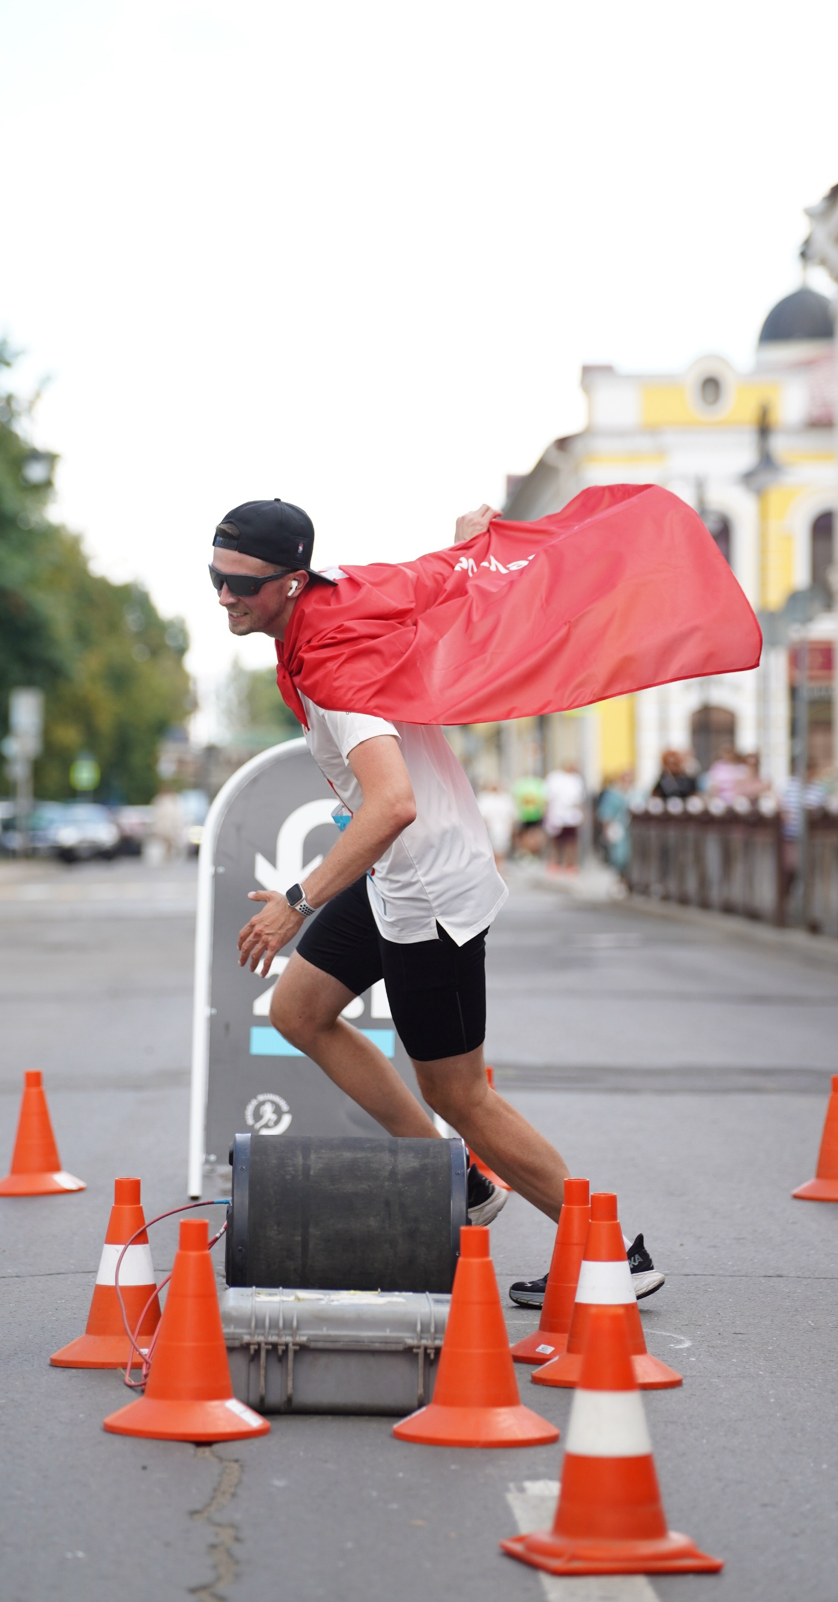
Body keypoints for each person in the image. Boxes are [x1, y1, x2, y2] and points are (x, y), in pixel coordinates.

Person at [211, 497, 664, 1306]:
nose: (223, 597)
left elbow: (392, 804)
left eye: (240, 585)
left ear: (289, 582)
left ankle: (610, 1249)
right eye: (214, 577)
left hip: (428, 887)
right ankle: (457, 1187)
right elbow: (434, 579)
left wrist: (297, 899)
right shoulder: (347, 596)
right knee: (298, 1008)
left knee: (461, 1094)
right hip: (393, 876)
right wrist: (475, 548)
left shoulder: (334, 666)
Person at [544, 759, 584, 871]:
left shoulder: (576, 779)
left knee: (571, 841)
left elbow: (579, 799)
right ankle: (554, 862)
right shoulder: (554, 778)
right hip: (557, 815)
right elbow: (548, 797)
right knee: (556, 841)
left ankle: (570, 864)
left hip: (571, 816)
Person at [596, 771, 633, 878]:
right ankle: (619, 878)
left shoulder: (632, 793)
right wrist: (606, 829)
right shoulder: (613, 794)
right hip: (617, 827)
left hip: (629, 828)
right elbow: (606, 813)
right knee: (618, 855)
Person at [476, 782, 516, 873]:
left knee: (501, 851)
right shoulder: (484, 797)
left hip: (502, 829)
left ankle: (500, 870)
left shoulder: (505, 798)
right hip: (490, 830)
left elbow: (510, 815)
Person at [512, 772, 547, 859]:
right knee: (525, 835)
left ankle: (534, 852)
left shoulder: (538, 785)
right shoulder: (522, 785)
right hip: (525, 815)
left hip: (535, 814)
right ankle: (526, 852)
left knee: (535, 835)